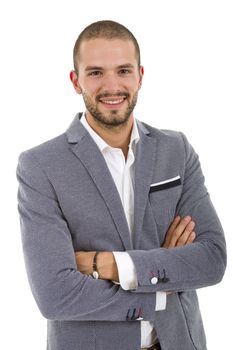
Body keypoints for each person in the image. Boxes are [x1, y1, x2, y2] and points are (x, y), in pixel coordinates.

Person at [16, 20, 226, 350]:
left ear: (140, 75)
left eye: (124, 70)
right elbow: (54, 295)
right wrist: (161, 288)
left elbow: (212, 259)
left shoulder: (177, 150)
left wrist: (109, 265)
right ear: (76, 81)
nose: (112, 86)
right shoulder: (41, 166)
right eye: (96, 72)